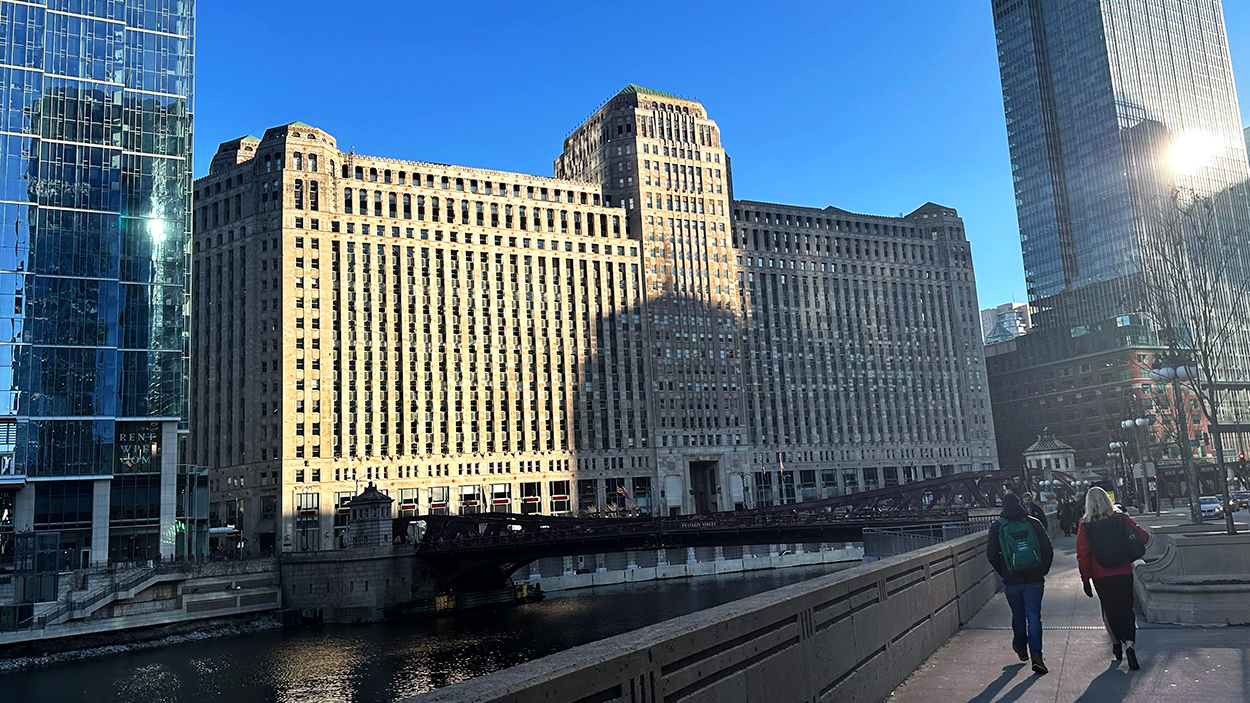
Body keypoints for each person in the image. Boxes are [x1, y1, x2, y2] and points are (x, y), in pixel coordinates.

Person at [1077, 487, 1151, 671]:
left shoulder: (1085, 525)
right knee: (1126, 608)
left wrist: (1085, 579)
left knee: (1109, 610)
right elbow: (1143, 536)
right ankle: (1130, 645)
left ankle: (1116, 643)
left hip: (1100, 575)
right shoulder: (1120, 518)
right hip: (1123, 570)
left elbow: (1083, 554)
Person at [987, 493, 1055, 675]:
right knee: (1033, 616)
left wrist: (1005, 572)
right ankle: (1037, 657)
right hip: (1034, 578)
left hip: (1012, 580)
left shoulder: (997, 526)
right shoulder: (1033, 522)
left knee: (1018, 615)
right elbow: (1048, 548)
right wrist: (1042, 570)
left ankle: (1020, 647)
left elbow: (991, 555)